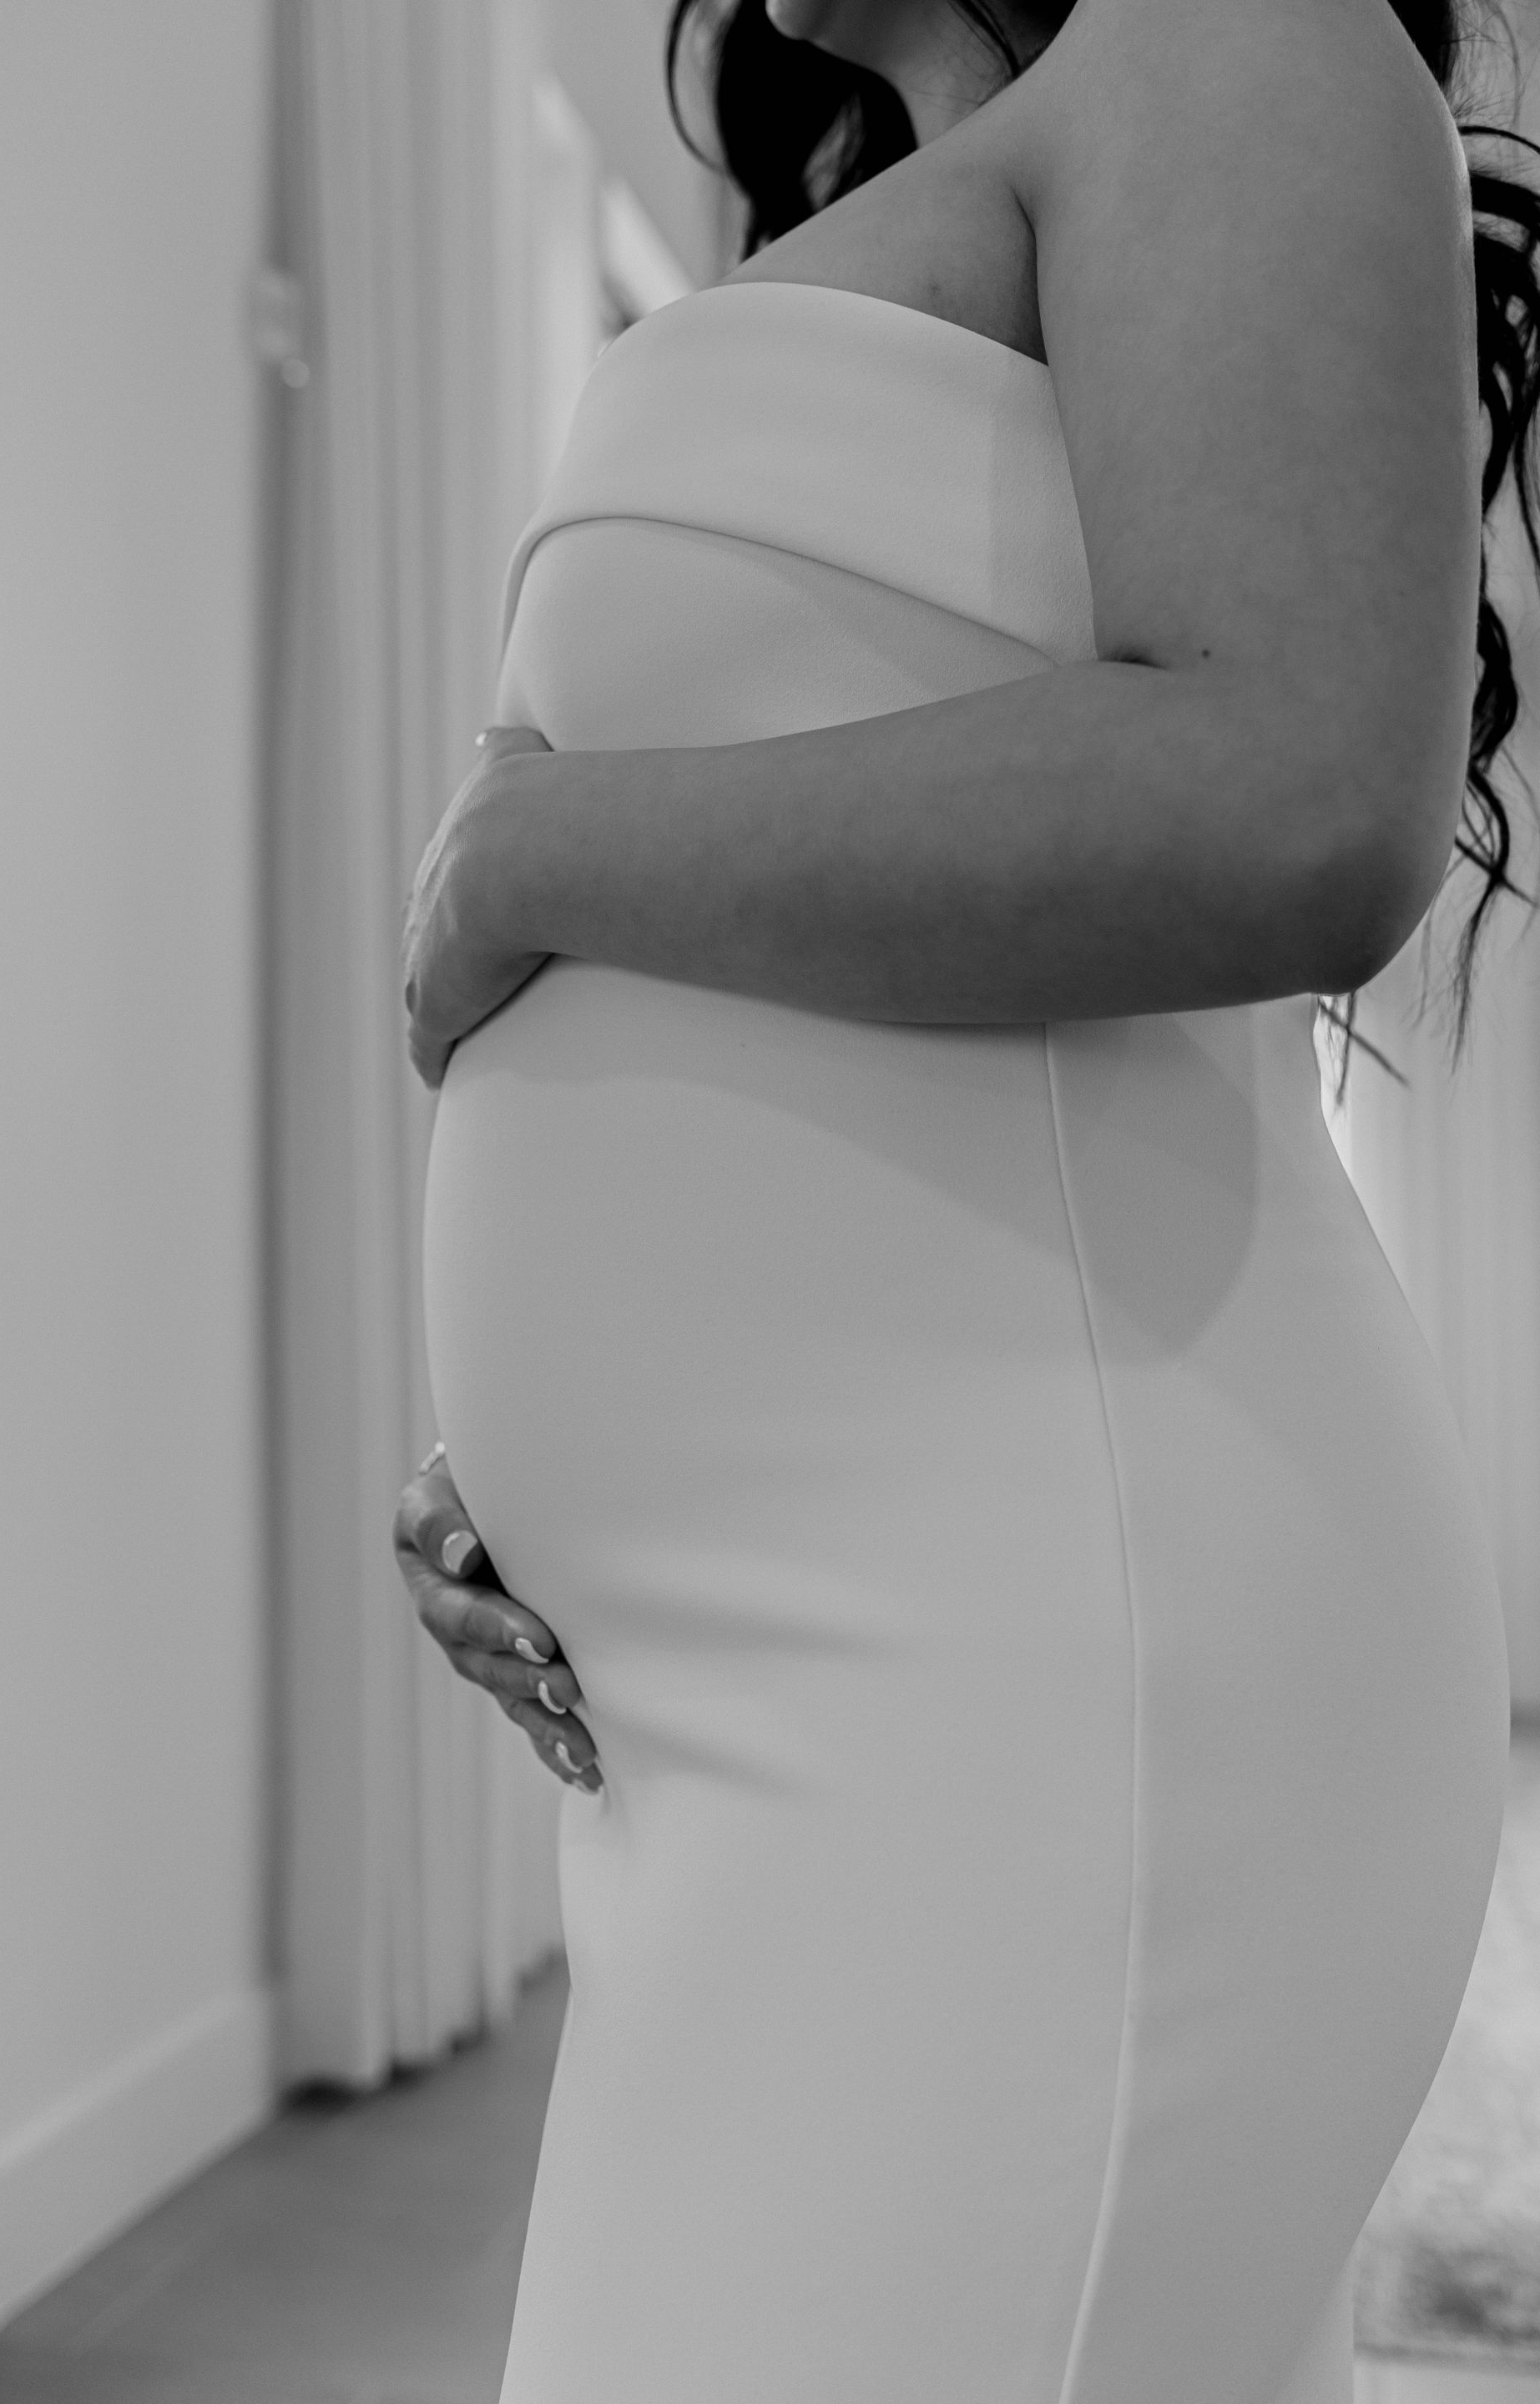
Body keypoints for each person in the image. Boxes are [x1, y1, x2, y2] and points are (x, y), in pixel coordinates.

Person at [391, 1, 1540, 2396]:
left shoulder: (1236, 43)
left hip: (1047, 1635)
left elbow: (1302, 796)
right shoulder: (897, 206)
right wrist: (569, 1477)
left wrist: (529, 844)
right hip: (788, 1683)